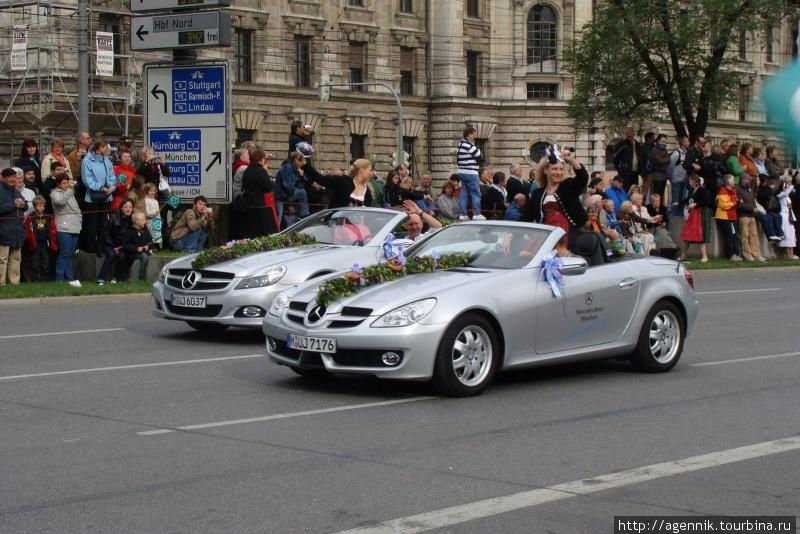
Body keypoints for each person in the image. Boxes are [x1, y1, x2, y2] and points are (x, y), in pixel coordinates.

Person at [522, 147, 589, 252]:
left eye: (561, 169)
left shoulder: (568, 186)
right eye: (554, 169)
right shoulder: (538, 193)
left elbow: (583, 178)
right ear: (545, 170)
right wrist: (510, 234)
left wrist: (571, 160)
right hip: (545, 236)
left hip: (567, 235)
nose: (558, 172)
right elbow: (526, 217)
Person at [81, 140, 115, 254]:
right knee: (92, 224)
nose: (107, 149)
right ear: (98, 148)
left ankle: (101, 247)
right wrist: (100, 188)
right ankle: (91, 247)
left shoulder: (107, 161)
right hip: (93, 197)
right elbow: (87, 179)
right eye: (105, 147)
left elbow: (112, 176)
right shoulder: (87, 161)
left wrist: (111, 187)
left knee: (103, 223)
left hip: (106, 196)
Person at [49, 173, 82, 286]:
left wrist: (79, 219)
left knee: (70, 254)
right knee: (64, 253)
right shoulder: (54, 193)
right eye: (64, 183)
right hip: (63, 227)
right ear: (58, 184)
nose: (67, 185)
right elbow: (60, 202)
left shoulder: (70, 193)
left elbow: (76, 208)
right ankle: (59, 278)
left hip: (75, 226)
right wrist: (70, 190)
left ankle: (70, 278)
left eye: (68, 182)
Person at [305, 158, 375, 209]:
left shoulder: (367, 191)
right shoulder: (343, 181)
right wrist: (304, 165)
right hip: (337, 224)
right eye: (370, 170)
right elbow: (321, 179)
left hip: (358, 226)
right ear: (362, 170)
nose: (372, 173)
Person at [241, 150, 278, 237]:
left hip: (249, 204)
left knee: (253, 231)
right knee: (263, 232)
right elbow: (268, 187)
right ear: (260, 159)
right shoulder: (261, 171)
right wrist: (271, 180)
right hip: (261, 205)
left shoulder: (247, 170)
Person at [0, 168, 27, 286]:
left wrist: (23, 204)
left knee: (16, 259)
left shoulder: (16, 191)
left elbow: (24, 206)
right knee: (2, 259)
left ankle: (14, 283)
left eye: (14, 177)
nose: (13, 179)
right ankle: (1, 283)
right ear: (3, 178)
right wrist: (13, 205)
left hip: (17, 230)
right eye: (10, 177)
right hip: (3, 230)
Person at [677, 174, 712, 262]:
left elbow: (707, 202)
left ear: (694, 181)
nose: (689, 183)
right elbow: (689, 199)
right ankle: (683, 255)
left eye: (690, 181)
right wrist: (679, 203)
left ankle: (705, 256)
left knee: (699, 235)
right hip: (693, 215)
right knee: (687, 235)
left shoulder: (702, 190)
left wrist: (696, 204)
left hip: (698, 215)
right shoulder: (694, 190)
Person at [97, 199, 133, 285]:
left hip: (120, 246)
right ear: (121, 208)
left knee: (122, 256)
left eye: (130, 207)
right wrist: (113, 246)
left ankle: (116, 278)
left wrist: (120, 247)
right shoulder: (113, 217)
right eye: (126, 207)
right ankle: (101, 278)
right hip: (108, 243)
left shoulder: (131, 220)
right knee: (111, 255)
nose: (128, 209)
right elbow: (105, 234)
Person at [24, 195, 57, 282]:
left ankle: (45, 280)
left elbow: (52, 229)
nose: (41, 208)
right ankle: (35, 280)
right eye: (39, 206)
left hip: (45, 243)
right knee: (35, 262)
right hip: (35, 243)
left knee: (45, 262)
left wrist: (51, 240)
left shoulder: (48, 217)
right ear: (35, 207)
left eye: (43, 206)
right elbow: (27, 230)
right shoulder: (30, 217)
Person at [456, 126, 486, 221]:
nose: (475, 136)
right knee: (475, 193)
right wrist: (477, 149)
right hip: (471, 172)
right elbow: (479, 155)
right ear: (469, 134)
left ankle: (463, 214)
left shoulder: (461, 144)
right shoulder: (468, 145)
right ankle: (476, 213)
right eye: (474, 134)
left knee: (464, 193)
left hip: (462, 171)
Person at [274, 150, 310, 226]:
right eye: (302, 161)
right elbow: (287, 185)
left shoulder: (294, 169)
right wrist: (290, 199)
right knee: (277, 221)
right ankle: (304, 214)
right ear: (296, 160)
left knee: (278, 220)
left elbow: (300, 185)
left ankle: (304, 213)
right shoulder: (288, 167)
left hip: (285, 195)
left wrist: (302, 176)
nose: (303, 164)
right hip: (282, 196)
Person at [735, 175, 765, 262]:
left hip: (752, 216)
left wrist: (755, 208)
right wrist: (752, 208)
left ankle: (756, 254)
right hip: (743, 216)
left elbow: (753, 201)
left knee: (754, 236)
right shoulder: (737, 189)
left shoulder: (749, 190)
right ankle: (747, 255)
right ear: (743, 180)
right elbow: (739, 205)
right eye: (748, 179)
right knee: (745, 236)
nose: (749, 181)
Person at [715, 175, 742, 261]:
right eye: (733, 180)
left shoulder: (734, 190)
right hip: (724, 217)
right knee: (729, 235)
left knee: (735, 235)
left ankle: (736, 253)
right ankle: (730, 255)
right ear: (728, 182)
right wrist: (734, 203)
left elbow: (734, 201)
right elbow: (723, 205)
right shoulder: (723, 191)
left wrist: (737, 202)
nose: (734, 182)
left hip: (732, 216)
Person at [119, 212, 152, 281]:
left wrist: (148, 246)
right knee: (144, 256)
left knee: (143, 257)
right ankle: (141, 277)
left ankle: (135, 278)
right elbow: (125, 245)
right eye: (143, 220)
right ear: (136, 222)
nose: (145, 222)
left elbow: (151, 241)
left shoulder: (145, 230)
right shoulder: (129, 231)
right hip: (132, 253)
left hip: (144, 251)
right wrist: (136, 248)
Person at [755, 175, 784, 242]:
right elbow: (761, 197)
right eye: (765, 182)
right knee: (772, 216)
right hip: (763, 208)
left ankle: (779, 233)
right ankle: (774, 234)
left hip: (769, 208)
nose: (766, 183)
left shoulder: (768, 188)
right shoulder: (759, 189)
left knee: (779, 216)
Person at [777, 178, 797, 259]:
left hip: (789, 216)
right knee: (787, 235)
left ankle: (791, 254)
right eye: (786, 185)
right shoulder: (780, 195)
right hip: (784, 216)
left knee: (792, 234)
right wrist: (792, 184)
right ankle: (788, 254)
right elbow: (785, 193)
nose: (787, 187)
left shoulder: (788, 196)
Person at [668, 136, 690, 211]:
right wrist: (670, 177)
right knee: (675, 200)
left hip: (684, 180)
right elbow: (670, 166)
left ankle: (680, 217)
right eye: (687, 141)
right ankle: (673, 217)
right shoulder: (676, 153)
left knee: (682, 201)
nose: (689, 143)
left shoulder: (687, 153)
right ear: (683, 143)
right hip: (676, 180)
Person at [640, 132, 656, 198]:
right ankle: (642, 203)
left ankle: (652, 204)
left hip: (654, 171)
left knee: (653, 190)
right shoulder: (643, 148)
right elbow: (641, 161)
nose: (654, 139)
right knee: (645, 190)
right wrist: (643, 172)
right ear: (648, 138)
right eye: (653, 137)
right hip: (646, 172)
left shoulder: (654, 147)